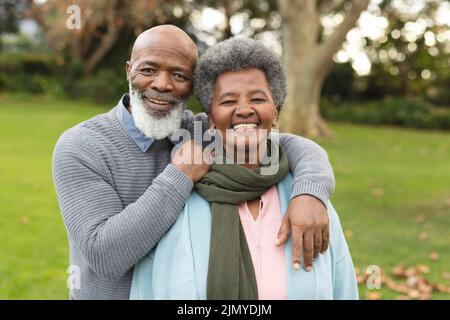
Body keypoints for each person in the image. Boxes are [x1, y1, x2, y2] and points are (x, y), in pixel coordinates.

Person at [52, 25, 335, 300]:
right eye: (148, 70)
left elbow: (282, 142)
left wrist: (310, 192)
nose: (162, 84)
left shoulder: (195, 131)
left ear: (193, 85)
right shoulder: (82, 146)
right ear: (129, 70)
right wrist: (179, 175)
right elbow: (105, 257)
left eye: (179, 74)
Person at [130, 37, 357, 300]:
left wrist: (311, 194)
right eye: (228, 102)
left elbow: (344, 291)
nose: (244, 110)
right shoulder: (177, 204)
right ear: (211, 119)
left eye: (258, 98)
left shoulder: (309, 202)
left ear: (276, 112)